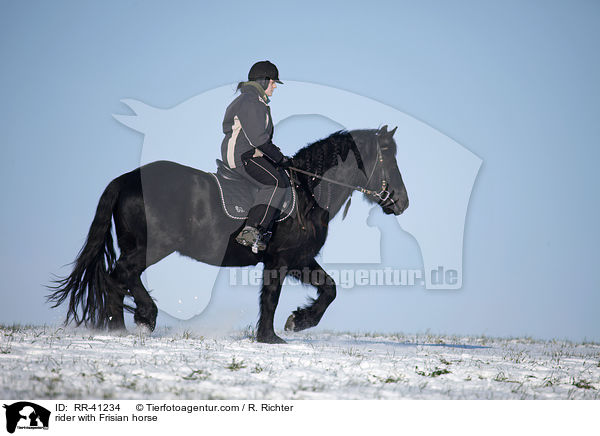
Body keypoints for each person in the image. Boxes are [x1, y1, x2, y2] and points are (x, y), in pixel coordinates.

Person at [221, 60, 291, 252]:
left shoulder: (255, 101)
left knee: (283, 178)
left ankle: (266, 233)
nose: (275, 86)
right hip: (241, 154)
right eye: (273, 82)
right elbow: (259, 139)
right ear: (263, 81)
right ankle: (251, 230)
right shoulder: (251, 102)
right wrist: (280, 158)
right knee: (276, 183)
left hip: (249, 152)